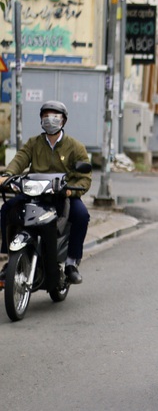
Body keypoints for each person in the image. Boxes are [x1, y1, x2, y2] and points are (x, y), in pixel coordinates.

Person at [0, 101, 91, 287]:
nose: (50, 120)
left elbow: (85, 177)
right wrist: (7, 176)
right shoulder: (33, 143)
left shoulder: (75, 146)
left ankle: (71, 263)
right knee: (7, 208)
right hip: (34, 194)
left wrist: (71, 190)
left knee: (82, 215)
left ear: (63, 121)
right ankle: (9, 257)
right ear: (41, 119)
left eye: (55, 117)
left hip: (62, 196)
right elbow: (19, 160)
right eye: (46, 116)